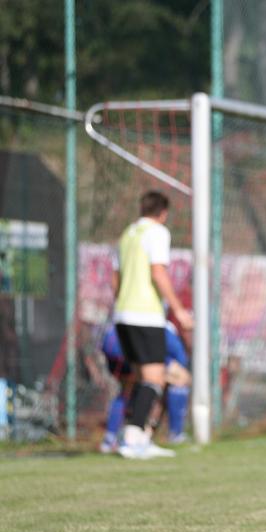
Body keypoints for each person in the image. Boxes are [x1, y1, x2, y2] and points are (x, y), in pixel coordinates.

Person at [112, 191, 193, 459]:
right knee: (154, 378)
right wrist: (179, 310)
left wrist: (121, 303)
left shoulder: (127, 234)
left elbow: (116, 278)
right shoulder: (157, 232)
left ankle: (136, 435)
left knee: (141, 378)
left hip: (123, 315)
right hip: (145, 315)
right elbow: (158, 272)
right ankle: (134, 437)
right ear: (163, 213)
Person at [99, 319, 192, 453]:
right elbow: (180, 357)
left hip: (115, 348)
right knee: (180, 379)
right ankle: (174, 434)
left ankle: (110, 439)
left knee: (128, 390)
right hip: (135, 345)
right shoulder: (162, 324)